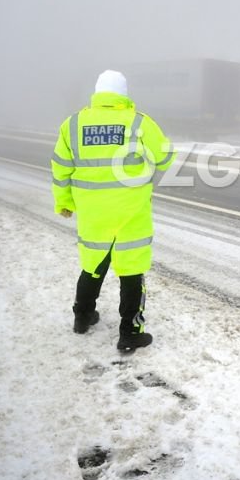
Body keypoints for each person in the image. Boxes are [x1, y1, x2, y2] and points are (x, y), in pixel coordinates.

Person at [51, 70, 175, 352]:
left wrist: (64, 202)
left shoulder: (73, 124)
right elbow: (165, 157)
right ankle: (130, 332)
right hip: (131, 214)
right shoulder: (139, 122)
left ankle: (82, 317)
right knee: (132, 272)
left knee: (93, 265)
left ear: (98, 93)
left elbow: (60, 169)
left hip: (93, 213)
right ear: (123, 94)